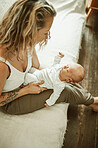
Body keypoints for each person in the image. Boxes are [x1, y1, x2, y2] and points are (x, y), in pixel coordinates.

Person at [0, 0, 98, 115]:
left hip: (26, 81)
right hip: (11, 102)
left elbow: (37, 66)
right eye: (46, 32)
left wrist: (60, 72)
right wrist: (25, 90)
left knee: (66, 76)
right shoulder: (3, 65)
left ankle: (90, 99)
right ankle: (93, 102)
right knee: (64, 91)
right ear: (29, 30)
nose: (48, 36)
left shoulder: (26, 43)